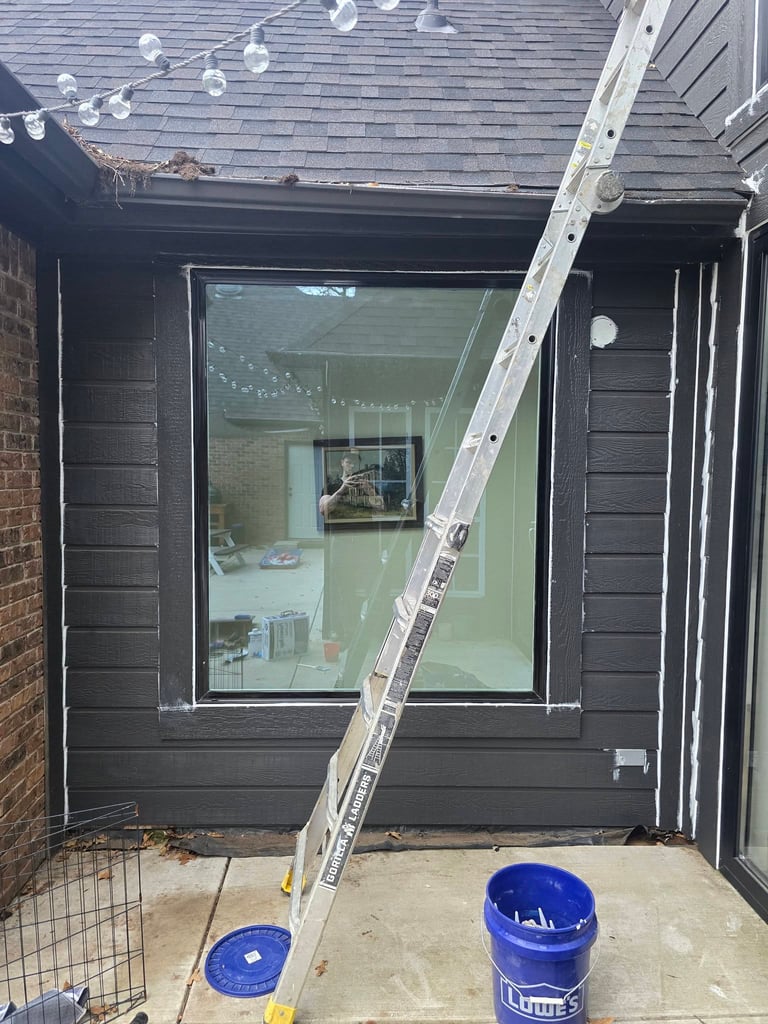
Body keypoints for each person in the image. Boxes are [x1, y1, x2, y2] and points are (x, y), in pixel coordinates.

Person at [318, 451, 384, 520]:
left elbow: (382, 510)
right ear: (342, 463)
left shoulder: (368, 485)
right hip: (340, 529)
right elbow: (323, 510)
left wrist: (370, 492)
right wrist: (341, 490)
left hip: (366, 528)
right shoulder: (331, 486)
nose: (352, 466)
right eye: (348, 462)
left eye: (355, 463)